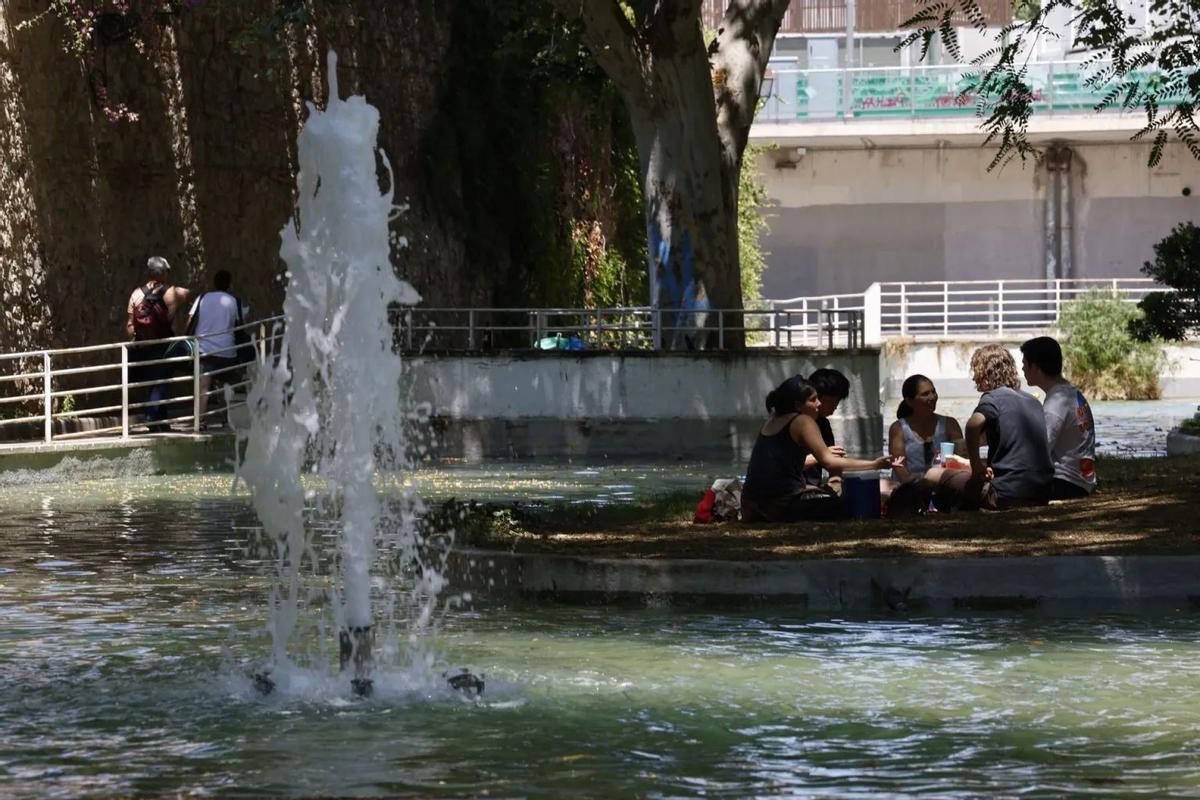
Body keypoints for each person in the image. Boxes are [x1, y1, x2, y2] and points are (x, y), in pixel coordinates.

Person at [742, 375, 901, 522]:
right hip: (779, 508)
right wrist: (874, 464)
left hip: (750, 507)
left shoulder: (771, 421)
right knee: (845, 504)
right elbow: (829, 462)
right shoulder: (802, 421)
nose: (819, 404)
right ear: (797, 405)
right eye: (813, 399)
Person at [922, 344, 1053, 511]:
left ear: (984, 375)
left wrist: (976, 467)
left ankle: (918, 514)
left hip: (1005, 494)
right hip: (1042, 492)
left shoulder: (992, 398)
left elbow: (972, 425)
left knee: (932, 474)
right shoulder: (1032, 401)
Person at [1020, 336, 1097, 500]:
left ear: (1035, 367)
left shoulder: (1056, 404)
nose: (1022, 368)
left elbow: (1038, 452)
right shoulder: (1071, 393)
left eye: (1024, 363)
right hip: (1083, 480)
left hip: (1066, 483)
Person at [126, 256, 192, 432]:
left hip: (142, 346)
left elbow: (130, 325)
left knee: (152, 382)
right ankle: (151, 417)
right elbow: (189, 293)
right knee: (161, 381)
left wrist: (140, 335)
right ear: (163, 273)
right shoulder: (171, 292)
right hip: (163, 345)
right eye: (167, 271)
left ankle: (161, 423)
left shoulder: (136, 293)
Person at [185, 269, 246, 430]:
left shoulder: (202, 298)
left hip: (204, 349)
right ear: (229, 284)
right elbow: (239, 325)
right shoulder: (234, 301)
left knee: (203, 389)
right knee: (228, 386)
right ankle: (229, 419)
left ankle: (199, 421)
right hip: (227, 351)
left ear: (214, 283)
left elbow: (190, 321)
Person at [888, 374, 964, 482]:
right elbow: (899, 467)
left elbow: (962, 459)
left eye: (933, 392)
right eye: (925, 394)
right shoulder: (898, 429)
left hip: (943, 487)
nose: (932, 397)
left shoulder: (950, 424)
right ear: (909, 401)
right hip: (908, 490)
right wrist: (916, 487)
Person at [802, 367, 851, 488]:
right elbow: (784, 467)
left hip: (813, 490)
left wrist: (835, 483)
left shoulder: (823, 424)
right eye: (835, 402)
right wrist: (820, 456)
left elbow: (833, 465)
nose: (835, 407)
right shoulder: (792, 422)